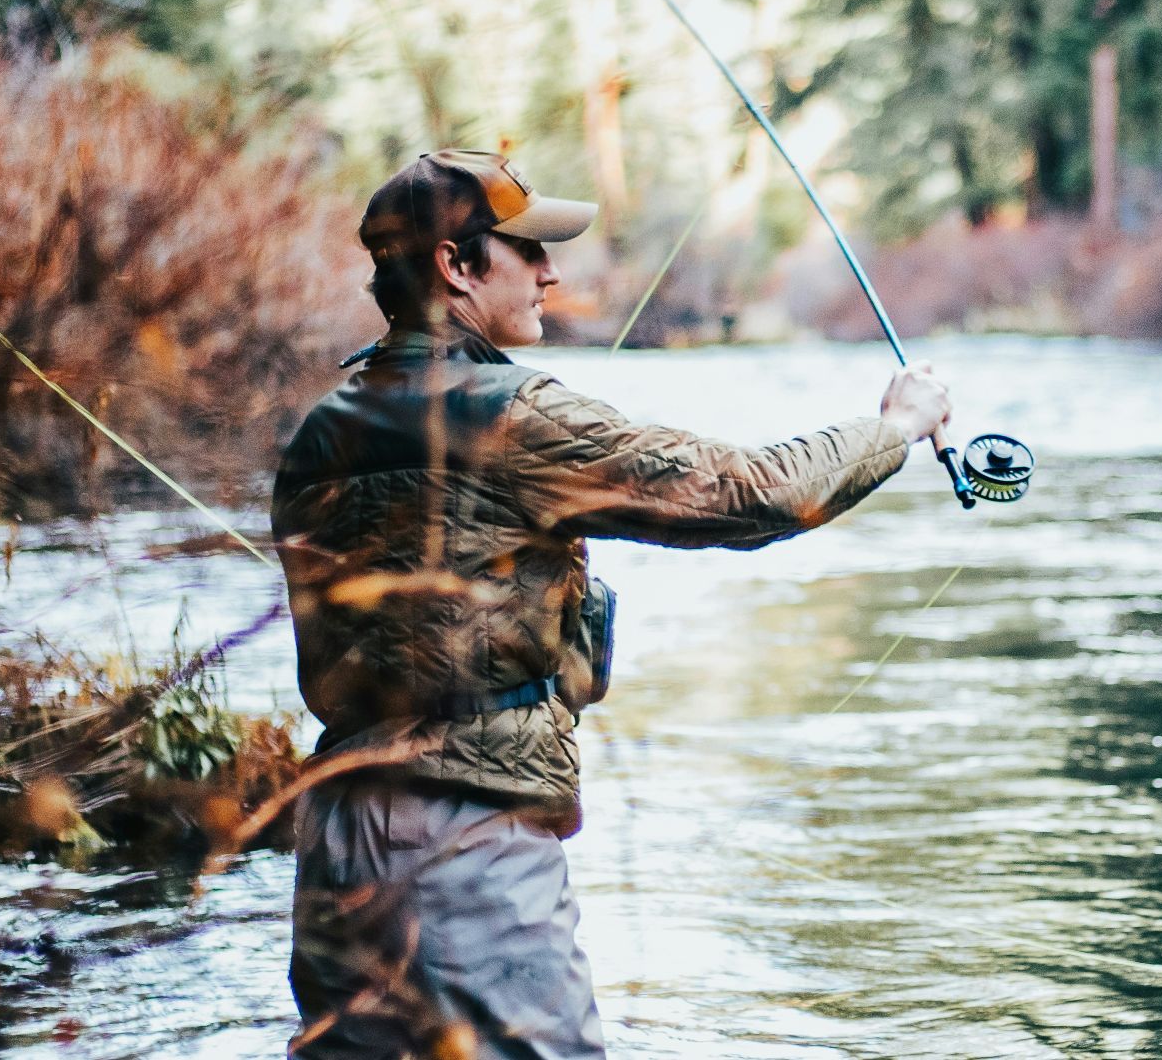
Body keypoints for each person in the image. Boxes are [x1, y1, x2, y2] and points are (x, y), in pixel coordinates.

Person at [272, 149, 952, 1059]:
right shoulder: (511, 414)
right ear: (455, 266)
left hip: (337, 840)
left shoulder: (323, 428)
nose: (552, 271)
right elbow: (747, 496)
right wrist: (894, 428)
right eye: (527, 250)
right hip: (463, 846)